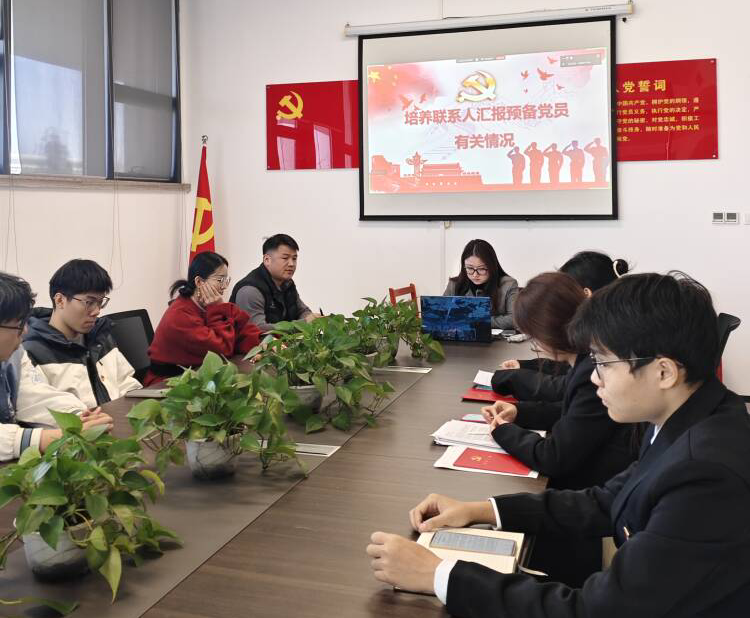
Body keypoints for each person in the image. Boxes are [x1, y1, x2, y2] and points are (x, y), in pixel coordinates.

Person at [367, 272, 750, 617]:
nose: (594, 378)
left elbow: (595, 610)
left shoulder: (704, 474)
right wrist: (480, 509)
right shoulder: (685, 419)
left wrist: (438, 575)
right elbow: (606, 500)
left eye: (603, 362)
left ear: (663, 372)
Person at [485, 271, 638, 585]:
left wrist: (503, 431)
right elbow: (573, 411)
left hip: (591, 492)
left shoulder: (590, 367)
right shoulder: (586, 360)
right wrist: (519, 411)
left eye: (533, 336)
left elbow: (553, 457)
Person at [0, 271, 112, 461]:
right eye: (18, 325)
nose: (25, 331)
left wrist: (79, 417)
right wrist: (49, 438)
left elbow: (36, 395)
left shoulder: (15, 355)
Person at [494, 251, 630, 401]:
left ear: (585, 294)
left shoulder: (604, 341)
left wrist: (515, 378)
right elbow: (568, 369)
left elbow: (567, 385)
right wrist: (525, 366)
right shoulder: (602, 327)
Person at [23, 260, 141, 415]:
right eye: (89, 302)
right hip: (78, 428)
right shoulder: (32, 351)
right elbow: (43, 410)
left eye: (100, 302)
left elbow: (127, 384)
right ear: (60, 300)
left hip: (118, 421)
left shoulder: (100, 337)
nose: (97, 311)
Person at [145, 251, 262, 385]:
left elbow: (243, 329)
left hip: (199, 377)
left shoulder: (209, 305)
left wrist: (264, 343)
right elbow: (221, 352)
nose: (224, 286)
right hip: (169, 384)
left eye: (226, 280)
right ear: (199, 282)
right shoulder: (180, 315)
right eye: (220, 280)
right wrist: (217, 309)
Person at [230, 234, 318, 333]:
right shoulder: (250, 290)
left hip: (282, 342)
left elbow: (304, 312)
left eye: (294, 258)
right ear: (267, 260)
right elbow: (258, 331)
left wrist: (310, 320)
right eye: (285, 258)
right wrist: (303, 324)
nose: (291, 264)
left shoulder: (287, 283)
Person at [443, 239, 519, 330]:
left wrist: (478, 321)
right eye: (470, 268)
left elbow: (515, 319)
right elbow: (441, 313)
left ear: (492, 266)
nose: (475, 275)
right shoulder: (454, 284)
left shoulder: (508, 285)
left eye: (481, 269)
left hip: (496, 338)